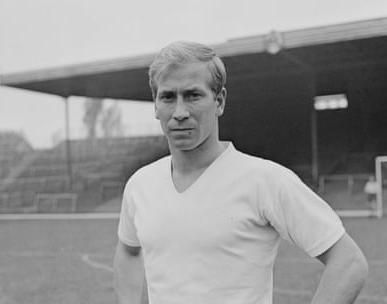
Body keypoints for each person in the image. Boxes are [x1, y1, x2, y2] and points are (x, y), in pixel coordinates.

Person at [113, 41, 368, 304]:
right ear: (155, 105)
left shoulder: (264, 180)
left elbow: (349, 263)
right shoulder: (140, 184)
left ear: (219, 101)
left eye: (193, 95)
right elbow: (129, 252)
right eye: (168, 97)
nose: (179, 112)